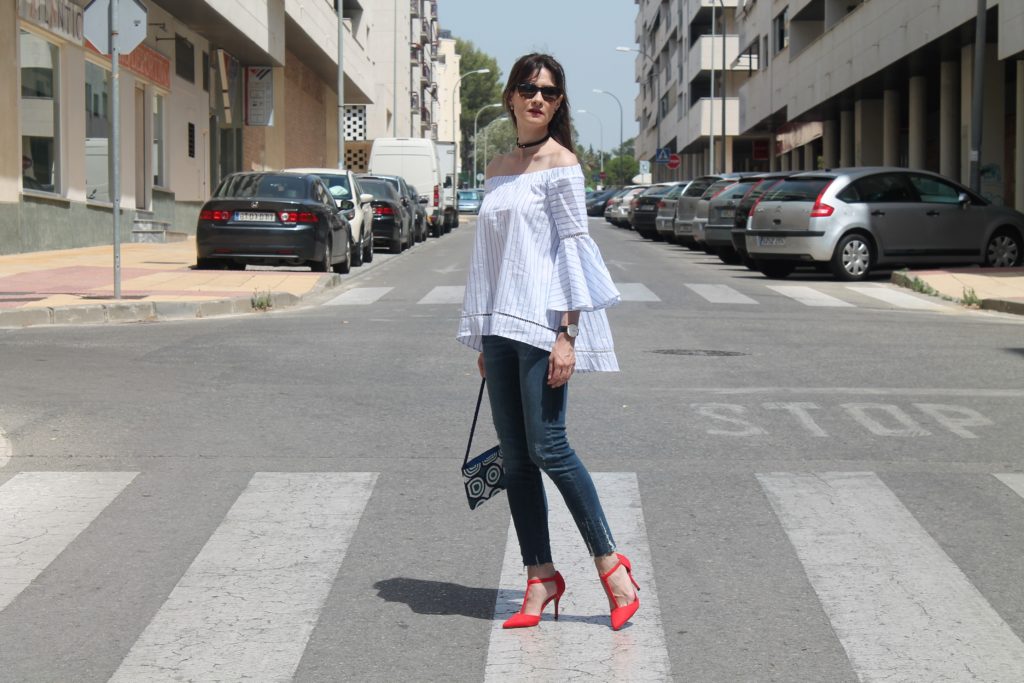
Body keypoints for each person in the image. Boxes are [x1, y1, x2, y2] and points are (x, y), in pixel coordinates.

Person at [456, 53, 640, 631]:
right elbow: (487, 259)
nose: (539, 99)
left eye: (551, 93)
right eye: (529, 89)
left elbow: (573, 252)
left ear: (558, 104)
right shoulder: (496, 168)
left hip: (543, 327)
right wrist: (484, 331)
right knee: (514, 458)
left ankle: (612, 568)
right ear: (511, 96)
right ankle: (540, 578)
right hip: (501, 329)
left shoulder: (562, 164)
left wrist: (568, 334)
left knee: (550, 447)